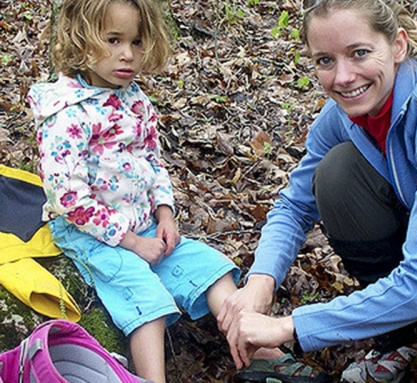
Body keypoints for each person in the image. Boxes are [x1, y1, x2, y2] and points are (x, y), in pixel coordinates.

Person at [27, 1, 330, 382]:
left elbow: (152, 163)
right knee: (146, 300)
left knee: (213, 270)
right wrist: (131, 242)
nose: (128, 54)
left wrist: (165, 213)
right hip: (93, 236)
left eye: (137, 42)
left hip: (146, 227)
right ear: (81, 40)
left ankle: (263, 351)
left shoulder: (134, 99)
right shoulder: (66, 112)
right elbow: (67, 197)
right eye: (113, 40)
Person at [218, 0, 417, 382]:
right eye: (325, 61)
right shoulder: (345, 115)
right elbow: (294, 204)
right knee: (337, 173)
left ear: (398, 45)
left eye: (360, 53)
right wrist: (260, 281)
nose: (343, 77)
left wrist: (290, 327)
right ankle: (406, 335)